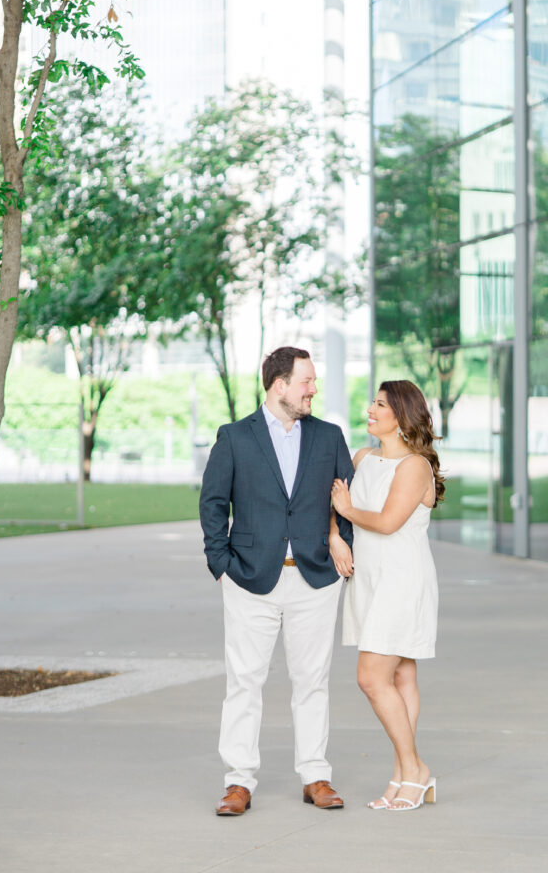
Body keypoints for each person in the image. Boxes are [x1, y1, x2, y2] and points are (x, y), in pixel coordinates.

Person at [200, 346, 355, 816]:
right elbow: (213, 504)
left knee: (313, 681)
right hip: (249, 579)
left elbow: (345, 498)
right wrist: (222, 564)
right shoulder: (234, 437)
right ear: (279, 385)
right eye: (306, 380)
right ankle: (238, 782)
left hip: (315, 579)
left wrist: (338, 541)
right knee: (244, 681)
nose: (313, 388)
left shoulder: (329, 437)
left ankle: (316, 776)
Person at [329, 379, 444, 812]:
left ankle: (415, 769)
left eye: (380, 404)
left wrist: (345, 511)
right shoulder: (363, 458)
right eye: (372, 403)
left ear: (401, 414)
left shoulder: (414, 466)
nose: (371, 410)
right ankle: (402, 774)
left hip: (401, 580)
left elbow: (388, 521)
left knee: (371, 677)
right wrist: (334, 536)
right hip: (369, 578)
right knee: (401, 677)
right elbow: (333, 507)